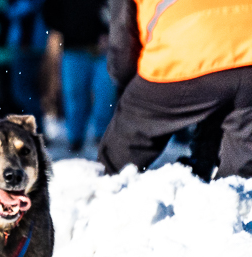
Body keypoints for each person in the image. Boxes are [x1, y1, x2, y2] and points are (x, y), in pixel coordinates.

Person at [99, 0, 252, 179]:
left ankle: (101, 188)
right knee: (241, 178)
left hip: (183, 50)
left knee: (116, 162)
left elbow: (122, 55)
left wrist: (137, 98)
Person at [43, 0, 114, 152]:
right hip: (73, 49)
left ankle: (103, 138)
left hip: (104, 51)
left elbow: (119, 11)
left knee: (105, 95)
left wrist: (110, 33)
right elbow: (49, 13)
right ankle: (75, 139)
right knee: (74, 96)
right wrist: (71, 29)